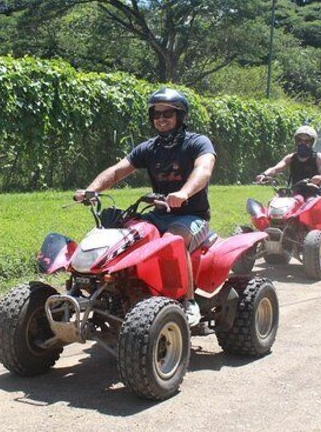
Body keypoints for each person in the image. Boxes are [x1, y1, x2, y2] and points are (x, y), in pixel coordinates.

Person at [75, 87, 216, 327]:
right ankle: (114, 289)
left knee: (173, 240)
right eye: (156, 114)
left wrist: (183, 193)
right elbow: (119, 170)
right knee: (124, 234)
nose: (161, 118)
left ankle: (188, 301)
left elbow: (204, 169)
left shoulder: (197, 142)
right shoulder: (149, 147)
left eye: (167, 113)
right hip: (159, 214)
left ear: (180, 117)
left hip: (192, 216)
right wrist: (93, 189)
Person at [254, 125, 321, 197]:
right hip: (295, 193)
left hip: (313, 194)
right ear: (296, 141)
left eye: (307, 141)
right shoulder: (291, 157)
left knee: (303, 200)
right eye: (299, 140)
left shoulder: (318, 157)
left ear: (312, 143)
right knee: (276, 200)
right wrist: (264, 174)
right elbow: (275, 168)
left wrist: (319, 178)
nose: (302, 143)